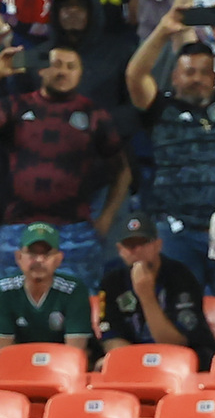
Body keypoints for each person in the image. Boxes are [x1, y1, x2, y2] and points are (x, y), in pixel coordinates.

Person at [126, 3, 215, 285]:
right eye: (189, 72)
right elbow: (135, 75)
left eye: (204, 73)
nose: (197, 79)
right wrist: (164, 30)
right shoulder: (159, 108)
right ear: (175, 76)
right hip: (176, 229)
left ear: (214, 78)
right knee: (182, 309)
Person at [0, 41, 128, 280]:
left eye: (71, 66)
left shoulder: (94, 115)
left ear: (80, 74)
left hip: (75, 232)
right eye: (56, 64)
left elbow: (122, 171)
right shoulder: (16, 106)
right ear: (41, 69)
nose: (62, 72)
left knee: (80, 308)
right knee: (9, 309)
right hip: (18, 228)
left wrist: (107, 216)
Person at [96, 212, 215, 369]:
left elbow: (177, 343)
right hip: (135, 361)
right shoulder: (112, 281)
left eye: (143, 243)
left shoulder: (181, 276)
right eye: (130, 245)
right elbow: (111, 337)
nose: (137, 250)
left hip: (185, 360)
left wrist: (146, 296)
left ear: (158, 245)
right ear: (120, 250)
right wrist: (135, 362)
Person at [0, 223, 94, 349]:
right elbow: (4, 353)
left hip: (61, 365)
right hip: (18, 364)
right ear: (18, 257)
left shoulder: (73, 290)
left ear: (59, 259)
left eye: (47, 254)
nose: (39, 260)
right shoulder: (4, 290)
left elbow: (75, 353)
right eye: (32, 253)